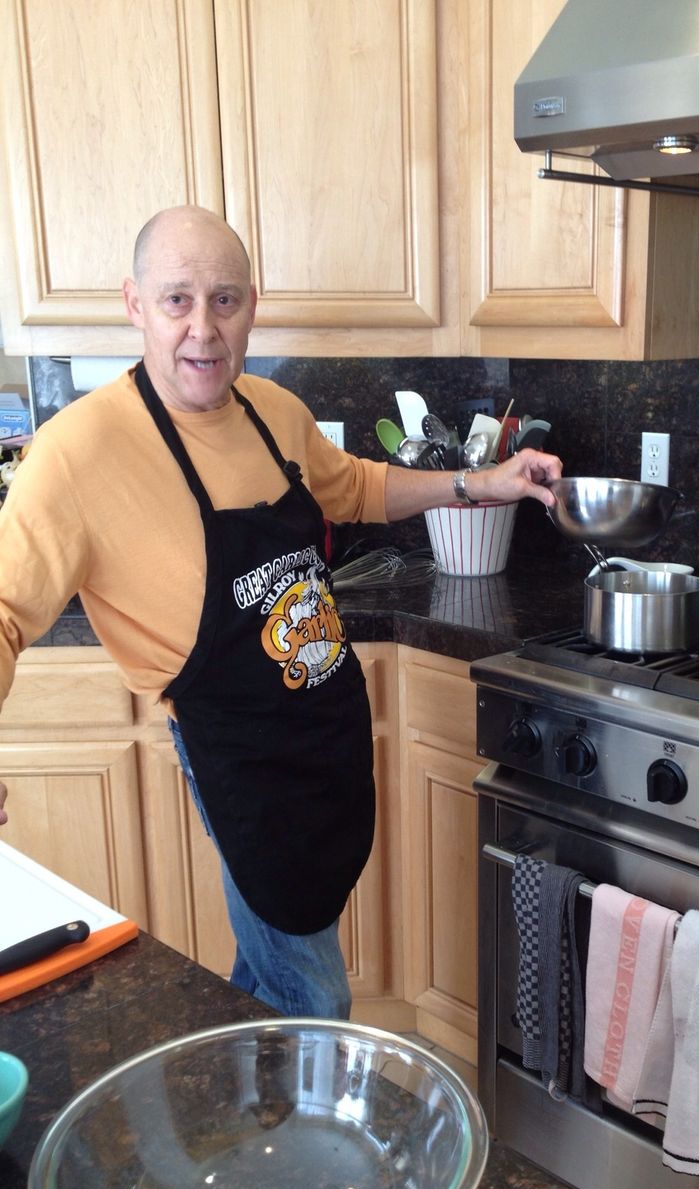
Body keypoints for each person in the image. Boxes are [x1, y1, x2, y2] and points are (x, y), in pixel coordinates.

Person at [0, 205, 562, 1019]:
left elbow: (357, 486)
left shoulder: (270, 409)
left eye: (224, 300)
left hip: (321, 730)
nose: (203, 328)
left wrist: (483, 481)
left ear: (252, 307)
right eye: (177, 300)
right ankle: (297, 1128)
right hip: (237, 755)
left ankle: (236, 1105)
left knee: (272, 965)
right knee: (314, 998)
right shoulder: (77, 452)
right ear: (133, 304)